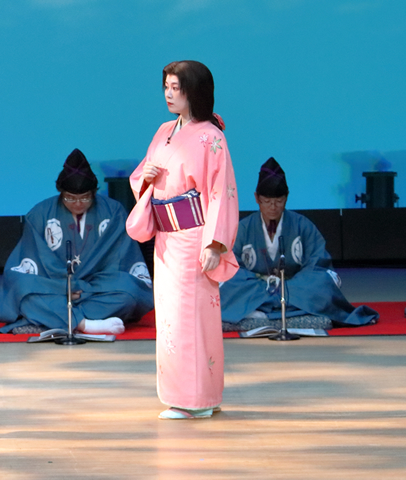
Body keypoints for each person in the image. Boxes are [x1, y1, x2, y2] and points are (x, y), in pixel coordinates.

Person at [126, 61, 239, 420]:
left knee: (191, 317)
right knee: (171, 319)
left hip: (193, 237)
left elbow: (221, 192)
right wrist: (145, 177)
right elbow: (142, 177)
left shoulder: (211, 136)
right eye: (166, 87)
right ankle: (196, 396)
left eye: (176, 87)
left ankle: (195, 399)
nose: (169, 94)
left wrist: (215, 243)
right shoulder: (164, 131)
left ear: (195, 91)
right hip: (166, 240)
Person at [0, 148, 153, 336]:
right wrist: (65, 287)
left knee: (128, 291)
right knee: (21, 288)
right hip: (52, 286)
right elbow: (35, 256)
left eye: (85, 198)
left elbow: (118, 257)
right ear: (60, 193)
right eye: (70, 198)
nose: (77, 203)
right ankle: (86, 324)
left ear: (94, 192)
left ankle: (55, 319)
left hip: (95, 287)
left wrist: (81, 288)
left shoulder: (112, 211)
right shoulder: (40, 213)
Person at [218, 158, 378, 332]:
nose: (273, 207)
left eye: (279, 201)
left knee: (322, 282)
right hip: (258, 287)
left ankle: (258, 311)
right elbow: (231, 266)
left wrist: (290, 284)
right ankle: (293, 310)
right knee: (228, 281)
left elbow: (318, 263)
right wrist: (263, 282)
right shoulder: (243, 228)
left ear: (286, 197)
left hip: (294, 287)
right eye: (267, 201)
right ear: (257, 198)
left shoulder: (302, 225)